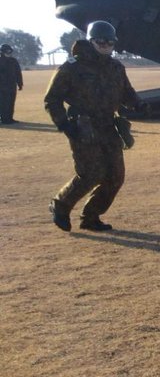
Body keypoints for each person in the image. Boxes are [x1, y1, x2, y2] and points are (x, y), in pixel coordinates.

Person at [44, 21, 143, 232]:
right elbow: (52, 99)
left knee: (116, 175)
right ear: (91, 41)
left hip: (109, 125)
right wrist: (63, 124)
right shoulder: (73, 67)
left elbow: (127, 93)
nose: (106, 45)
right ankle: (60, 205)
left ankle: (91, 217)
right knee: (91, 173)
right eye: (101, 41)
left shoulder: (116, 67)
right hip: (83, 127)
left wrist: (139, 104)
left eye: (110, 41)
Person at [0, 43, 22, 124]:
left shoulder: (13, 61)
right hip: (2, 87)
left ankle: (10, 118)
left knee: (11, 103)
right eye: (7, 50)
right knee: (3, 104)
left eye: (10, 51)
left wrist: (20, 83)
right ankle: (4, 119)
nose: (9, 52)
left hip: (12, 86)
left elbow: (18, 73)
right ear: (2, 51)